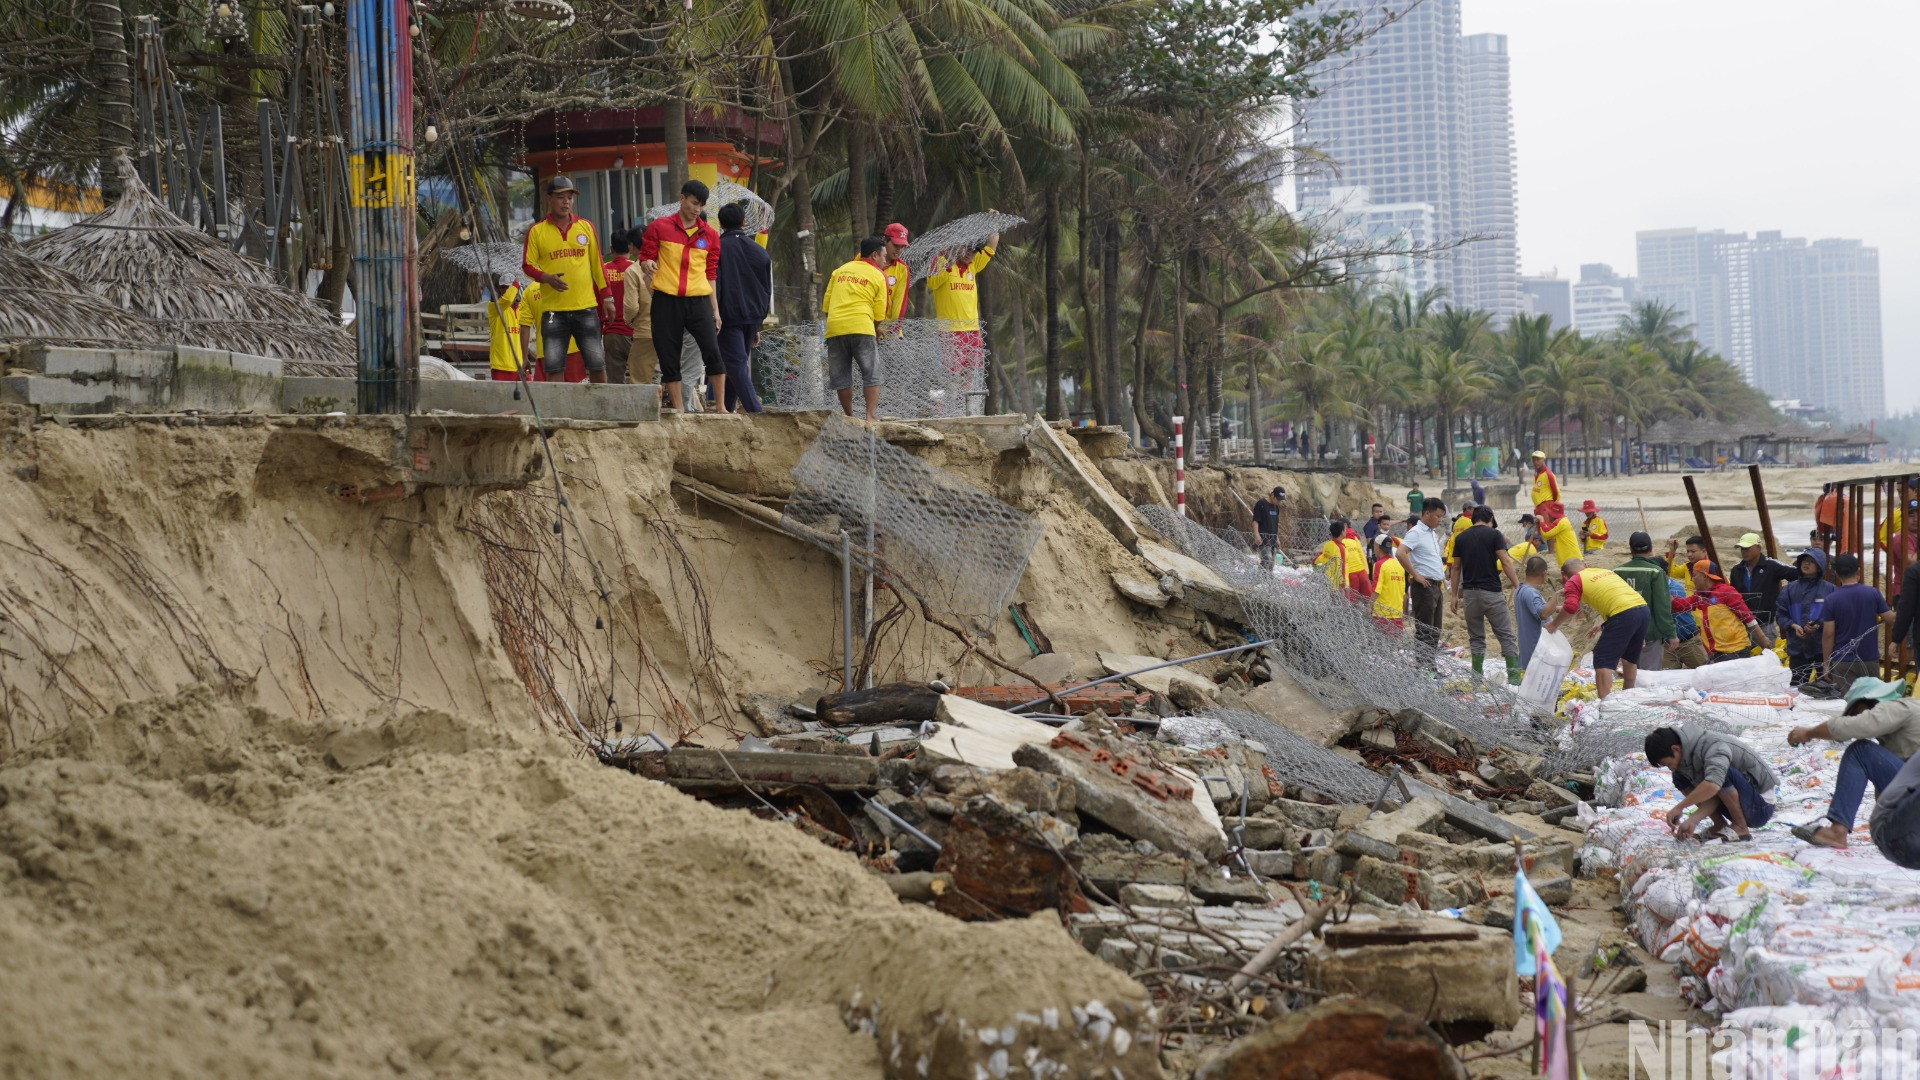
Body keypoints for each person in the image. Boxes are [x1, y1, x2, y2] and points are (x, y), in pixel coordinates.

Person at [1786, 676, 1918, 849]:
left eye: (1855, 712)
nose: (1854, 717)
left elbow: (1851, 727)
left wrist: (1809, 733)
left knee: (1859, 751)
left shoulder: (1897, 707)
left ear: (1868, 701)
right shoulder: (1903, 718)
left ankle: (1836, 832)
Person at [637, 179, 725, 411]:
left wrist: (715, 310)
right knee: (668, 355)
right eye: (694, 202)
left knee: (712, 351)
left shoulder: (711, 235)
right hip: (666, 300)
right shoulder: (659, 227)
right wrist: (646, 264)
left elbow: (711, 274)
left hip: (698, 301)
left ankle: (722, 408)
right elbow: (646, 256)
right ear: (682, 198)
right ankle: (679, 409)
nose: (697, 209)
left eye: (701, 205)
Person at [520, 176, 614, 384]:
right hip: (553, 311)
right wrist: (545, 277)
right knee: (554, 367)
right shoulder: (537, 232)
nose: (566, 202)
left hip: (586, 308)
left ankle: (601, 410)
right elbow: (527, 266)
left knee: (597, 365)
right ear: (549, 199)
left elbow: (597, 265)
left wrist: (607, 297)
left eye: (569, 197)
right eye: (560, 197)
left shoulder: (586, 227)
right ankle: (557, 413)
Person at [1644, 725, 1777, 841]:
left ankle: (1740, 827)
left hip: (1760, 806)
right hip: (1736, 799)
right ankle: (1719, 825)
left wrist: (1680, 807)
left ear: (1676, 749)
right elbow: (1714, 794)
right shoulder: (1684, 762)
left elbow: (1713, 785)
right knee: (1680, 776)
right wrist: (1693, 821)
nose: (1670, 768)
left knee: (1719, 774)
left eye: (1668, 764)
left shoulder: (1713, 746)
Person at [1547, 558, 1648, 698]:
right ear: (1585, 565)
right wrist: (1605, 624)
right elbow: (1617, 598)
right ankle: (1628, 697)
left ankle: (1604, 704)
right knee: (1629, 658)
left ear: (1564, 575)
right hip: (1642, 609)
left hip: (1623, 614)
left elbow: (1571, 607)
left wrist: (1553, 625)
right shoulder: (1604, 572)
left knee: (1602, 658)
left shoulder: (1574, 580)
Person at [924, 227, 999, 411]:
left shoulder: (974, 265)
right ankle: (944, 407)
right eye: (967, 251)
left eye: (974, 252)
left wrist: (993, 224)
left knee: (969, 372)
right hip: (949, 331)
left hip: (972, 330)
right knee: (950, 375)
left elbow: (992, 246)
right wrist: (947, 262)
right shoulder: (941, 261)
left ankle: (961, 406)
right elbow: (932, 283)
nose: (971, 255)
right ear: (957, 248)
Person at [1448, 505, 1523, 683]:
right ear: (1490, 519)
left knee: (1476, 637)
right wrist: (1518, 585)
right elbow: (1505, 561)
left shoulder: (1461, 538)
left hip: (1470, 595)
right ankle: (1513, 679)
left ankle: (1476, 679)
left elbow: (1456, 567)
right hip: (1492, 594)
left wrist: (1453, 596)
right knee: (1506, 636)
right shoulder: (1494, 535)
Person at [822, 237, 891, 420]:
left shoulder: (839, 271)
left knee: (841, 377)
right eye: (884, 256)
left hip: (835, 329)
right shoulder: (879, 275)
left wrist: (836, 325)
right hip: (862, 328)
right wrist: (875, 329)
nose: (885, 261)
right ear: (874, 255)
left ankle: (850, 417)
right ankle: (869, 416)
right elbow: (880, 312)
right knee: (871, 373)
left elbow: (827, 305)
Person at [715, 201, 772, 413]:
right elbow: (767, 288)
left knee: (737, 363)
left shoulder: (718, 249)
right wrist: (759, 322)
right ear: (744, 222)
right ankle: (728, 408)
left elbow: (716, 283)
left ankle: (755, 411)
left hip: (728, 316)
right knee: (736, 363)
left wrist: (714, 313)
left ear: (721, 224)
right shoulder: (759, 251)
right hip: (753, 315)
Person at [1821, 552, 1896, 691]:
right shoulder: (1872, 593)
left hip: (1842, 661)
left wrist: (1826, 664)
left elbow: (1828, 634)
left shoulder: (1831, 599)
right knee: (1873, 701)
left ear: (1836, 574)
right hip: (1869, 658)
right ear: (1858, 571)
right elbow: (1891, 619)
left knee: (1848, 704)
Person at [1673, 561, 1763, 663]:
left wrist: (1763, 640)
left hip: (1735, 652)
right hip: (1715, 654)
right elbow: (1682, 605)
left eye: (1694, 575)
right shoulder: (1699, 596)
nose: (1692, 579)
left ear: (1704, 576)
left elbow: (1748, 618)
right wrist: (1665, 597)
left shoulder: (1726, 592)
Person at [1615, 532, 1679, 671]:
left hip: (1624, 632)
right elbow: (1662, 606)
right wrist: (1671, 633)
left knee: (1628, 675)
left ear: (1630, 549)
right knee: (1649, 676)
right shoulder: (1655, 572)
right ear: (1650, 549)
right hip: (1649, 633)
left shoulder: (1617, 571)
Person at [1399, 498, 1449, 666]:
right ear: (1427, 513)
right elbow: (1400, 553)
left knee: (1435, 630)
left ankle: (1430, 665)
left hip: (1436, 586)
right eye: (1437, 516)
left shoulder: (1431, 534)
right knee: (1425, 630)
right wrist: (1416, 575)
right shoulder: (1416, 532)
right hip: (1424, 586)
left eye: (1441, 516)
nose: (1440, 520)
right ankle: (1423, 666)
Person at [1778, 548, 1835, 686]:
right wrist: (1793, 625)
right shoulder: (1789, 589)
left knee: (1827, 688)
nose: (1806, 564)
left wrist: (1818, 625)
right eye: (1804, 560)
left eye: (1811, 561)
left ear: (1819, 566)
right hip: (1798, 648)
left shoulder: (1830, 589)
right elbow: (1780, 614)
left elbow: (1837, 616)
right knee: (1796, 688)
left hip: (1823, 649)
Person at [1727, 532, 1793, 639]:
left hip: (1765, 625)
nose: (1743, 552)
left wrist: (1785, 594)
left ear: (1758, 547)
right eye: (1742, 548)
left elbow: (1795, 574)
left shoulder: (1771, 565)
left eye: (1747, 548)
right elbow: (1733, 596)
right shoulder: (1736, 570)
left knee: (1767, 654)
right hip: (1742, 626)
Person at [516, 280, 584, 381]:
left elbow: (525, 327)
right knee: (575, 393)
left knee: (548, 393)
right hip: (572, 350)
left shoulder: (530, 290)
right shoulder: (567, 281)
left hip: (546, 351)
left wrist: (525, 357)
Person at [619, 251, 659, 388]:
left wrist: (629, 321)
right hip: (674, 333)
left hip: (645, 332)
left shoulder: (633, 270)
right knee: (676, 381)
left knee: (639, 384)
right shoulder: (669, 264)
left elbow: (631, 307)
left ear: (631, 245)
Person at [601, 229, 636, 384]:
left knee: (615, 384)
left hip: (611, 333)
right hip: (635, 332)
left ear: (611, 249)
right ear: (630, 247)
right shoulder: (636, 268)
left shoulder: (603, 270)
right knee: (640, 381)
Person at [1314, 520, 1372, 599]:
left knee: (1340, 603)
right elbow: (1342, 568)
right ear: (1342, 532)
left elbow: (1322, 558)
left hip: (1331, 581)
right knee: (1353, 602)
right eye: (1345, 530)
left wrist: (1314, 562)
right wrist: (1344, 585)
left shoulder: (1328, 544)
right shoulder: (1343, 547)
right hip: (1344, 581)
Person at [482, 275, 526, 382]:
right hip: (500, 366)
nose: (506, 290)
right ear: (499, 289)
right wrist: (516, 283)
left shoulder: (522, 309)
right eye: (503, 287)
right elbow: (507, 299)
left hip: (519, 366)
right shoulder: (494, 307)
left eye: (508, 287)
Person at [1514, 555, 1551, 669]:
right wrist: (1556, 596)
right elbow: (1543, 614)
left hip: (1529, 648)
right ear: (1543, 573)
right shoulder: (1531, 593)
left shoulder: (1520, 590)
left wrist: (1558, 607)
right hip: (1536, 650)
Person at [879, 223, 913, 335]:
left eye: (902, 247)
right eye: (895, 245)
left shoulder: (902, 269)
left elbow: (901, 302)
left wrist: (894, 330)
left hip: (889, 334)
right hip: (866, 330)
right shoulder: (864, 258)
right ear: (884, 240)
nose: (899, 250)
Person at [1372, 534, 1406, 635]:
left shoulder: (1379, 565)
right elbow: (1403, 593)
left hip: (1382, 614)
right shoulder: (1399, 566)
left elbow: (1376, 589)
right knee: (1394, 648)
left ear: (1378, 547)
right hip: (1397, 614)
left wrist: (1369, 606)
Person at [1537, 504, 1584, 570]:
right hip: (1571, 557)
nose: (1548, 515)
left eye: (1549, 514)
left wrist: (1541, 521)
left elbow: (1546, 533)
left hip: (1571, 559)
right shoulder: (1584, 523)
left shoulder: (1560, 522)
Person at [1251, 487, 1284, 571]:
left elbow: (1275, 524)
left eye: (1280, 500)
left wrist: (1277, 539)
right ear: (1272, 495)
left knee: (1271, 563)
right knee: (1266, 559)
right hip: (1263, 538)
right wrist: (1257, 535)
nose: (1279, 502)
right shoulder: (1261, 504)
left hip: (1272, 539)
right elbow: (1255, 521)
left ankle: (1267, 581)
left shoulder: (1276, 508)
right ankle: (1260, 580)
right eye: (1278, 499)